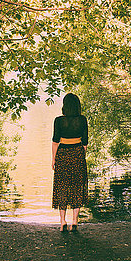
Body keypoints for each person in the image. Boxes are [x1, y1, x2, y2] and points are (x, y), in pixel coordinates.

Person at [51, 93, 88, 232]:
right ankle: (75, 221)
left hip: (63, 154)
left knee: (62, 185)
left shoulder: (58, 120)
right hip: (77, 153)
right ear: (77, 106)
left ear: (64, 106)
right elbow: (84, 143)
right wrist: (80, 156)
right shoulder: (82, 120)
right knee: (77, 185)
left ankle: (62, 222)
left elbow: (55, 141)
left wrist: (53, 159)